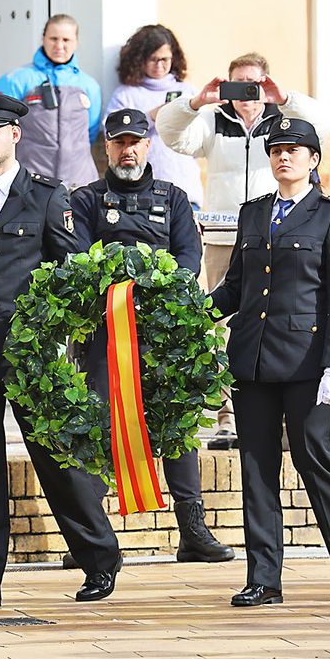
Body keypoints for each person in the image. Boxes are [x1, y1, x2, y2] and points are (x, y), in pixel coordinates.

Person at [0, 93, 123, 610]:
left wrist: (62, 337)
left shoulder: (48, 196)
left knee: (56, 458)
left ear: (15, 134)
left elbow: (74, 272)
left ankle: (99, 556)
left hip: (30, 353)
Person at [209, 117, 330, 606]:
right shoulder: (254, 213)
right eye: (276, 149)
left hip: (308, 363)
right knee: (256, 466)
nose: (284, 157)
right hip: (253, 358)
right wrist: (188, 310)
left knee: (313, 459)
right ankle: (263, 579)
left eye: (294, 150)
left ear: (314, 160)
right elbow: (237, 286)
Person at [69, 109, 232, 563]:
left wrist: (146, 288)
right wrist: (123, 287)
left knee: (176, 425)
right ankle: (91, 536)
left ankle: (193, 531)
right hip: (104, 331)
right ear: (107, 147)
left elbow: (187, 257)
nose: (127, 150)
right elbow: (80, 258)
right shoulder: (85, 200)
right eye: (119, 142)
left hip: (164, 333)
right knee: (95, 423)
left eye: (135, 141)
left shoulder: (174, 198)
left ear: (148, 145)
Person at [155, 53, 325, 448]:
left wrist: (284, 99)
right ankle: (226, 415)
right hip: (222, 237)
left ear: (267, 83)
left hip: (278, 237)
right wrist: (197, 101)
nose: (246, 94)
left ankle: (281, 414)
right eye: (238, 84)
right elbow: (170, 133)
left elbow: (321, 129)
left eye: (254, 84)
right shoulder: (214, 121)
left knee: (278, 317)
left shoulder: (282, 123)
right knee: (221, 326)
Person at [102, 23, 204, 206]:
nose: (159, 65)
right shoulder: (126, 94)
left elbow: (201, 137)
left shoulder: (187, 91)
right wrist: (151, 116)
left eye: (165, 59)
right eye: (153, 59)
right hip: (140, 195)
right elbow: (108, 132)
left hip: (185, 191)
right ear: (139, 60)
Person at [0, 14, 100, 187]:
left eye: (66, 40)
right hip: (31, 183)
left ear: (76, 42)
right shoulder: (15, 80)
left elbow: (91, 131)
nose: (59, 46)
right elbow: (3, 132)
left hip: (79, 183)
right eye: (53, 39)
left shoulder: (89, 86)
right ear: (43, 38)